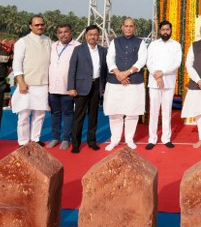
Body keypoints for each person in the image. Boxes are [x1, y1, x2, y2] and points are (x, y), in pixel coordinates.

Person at [104, 17, 147, 151]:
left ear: (134, 28)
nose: (128, 28)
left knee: (132, 112)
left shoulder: (141, 42)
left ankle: (129, 139)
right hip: (115, 82)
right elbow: (109, 59)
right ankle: (115, 140)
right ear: (122, 27)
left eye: (131, 26)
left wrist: (127, 73)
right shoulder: (115, 42)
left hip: (134, 82)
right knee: (115, 112)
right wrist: (118, 74)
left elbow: (142, 61)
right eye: (126, 26)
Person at [11, 16, 52, 146]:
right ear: (30, 26)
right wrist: (21, 82)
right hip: (27, 84)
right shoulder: (22, 42)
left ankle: (35, 139)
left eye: (42, 24)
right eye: (36, 25)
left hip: (43, 83)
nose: (40, 27)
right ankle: (23, 141)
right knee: (24, 115)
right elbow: (17, 63)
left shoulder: (48, 40)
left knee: (40, 114)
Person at [67, 24, 107, 154]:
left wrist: (103, 87)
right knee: (78, 117)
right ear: (86, 36)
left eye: (95, 34)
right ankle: (76, 144)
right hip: (81, 87)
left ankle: (92, 141)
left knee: (93, 116)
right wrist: (71, 87)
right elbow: (72, 69)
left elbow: (104, 70)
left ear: (98, 36)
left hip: (96, 86)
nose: (93, 37)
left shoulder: (103, 50)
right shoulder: (78, 49)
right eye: (90, 35)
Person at [145, 20, 183, 150]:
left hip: (169, 82)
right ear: (159, 31)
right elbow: (149, 62)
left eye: (167, 29)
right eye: (163, 30)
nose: (165, 32)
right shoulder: (153, 44)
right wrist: (157, 75)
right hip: (154, 82)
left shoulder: (176, 45)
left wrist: (162, 72)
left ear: (171, 30)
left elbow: (177, 63)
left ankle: (166, 138)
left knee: (167, 111)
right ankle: (152, 139)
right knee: (154, 111)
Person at [47, 23, 79, 150]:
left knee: (68, 113)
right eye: (60, 32)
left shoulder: (77, 46)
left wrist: (74, 86)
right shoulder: (52, 46)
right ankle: (55, 138)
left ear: (71, 32)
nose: (63, 34)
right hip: (53, 87)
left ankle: (66, 138)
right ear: (57, 34)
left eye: (66, 32)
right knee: (55, 114)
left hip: (68, 87)